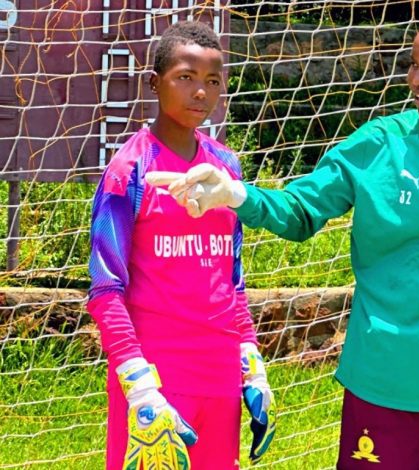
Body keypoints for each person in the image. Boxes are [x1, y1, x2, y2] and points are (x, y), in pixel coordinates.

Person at [151, 13, 419, 469]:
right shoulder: (378, 143)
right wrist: (236, 194)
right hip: (380, 375)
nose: (417, 79)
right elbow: (300, 211)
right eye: (414, 64)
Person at [86, 21, 274, 470]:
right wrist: (137, 381)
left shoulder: (225, 168)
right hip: (157, 372)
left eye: (212, 81)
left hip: (220, 371)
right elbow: (104, 290)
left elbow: (232, 277)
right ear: (155, 83)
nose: (200, 93)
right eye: (185, 78)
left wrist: (249, 358)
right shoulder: (128, 171)